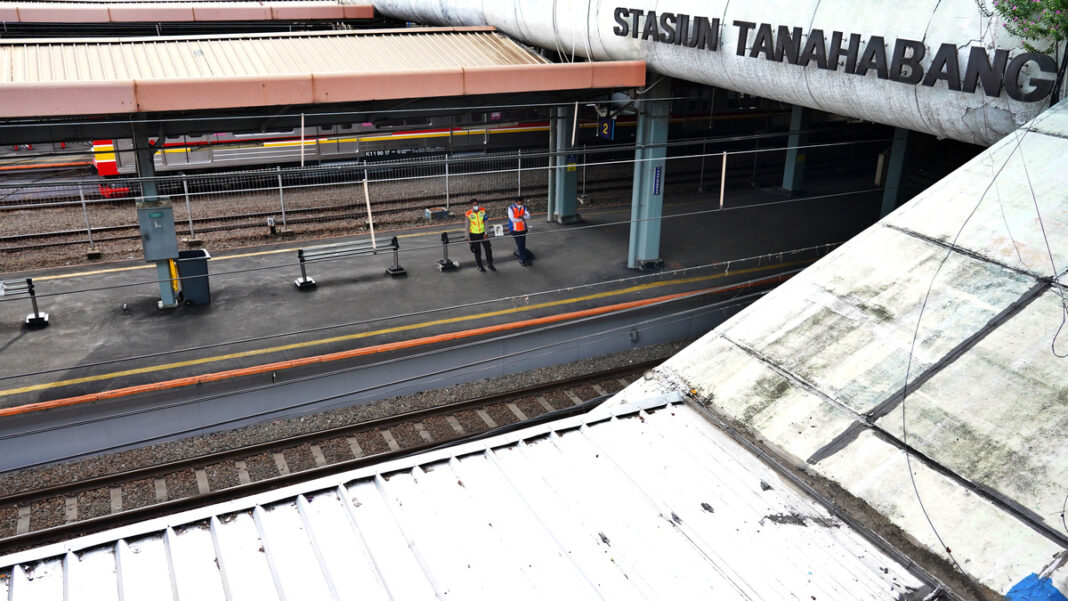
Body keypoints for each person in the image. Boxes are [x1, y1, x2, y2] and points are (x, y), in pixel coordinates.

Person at [464, 198, 494, 272]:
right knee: (477, 251)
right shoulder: (468, 214)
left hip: (483, 234)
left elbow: (486, 223)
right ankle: (480, 266)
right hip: (474, 235)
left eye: (477, 205)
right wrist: (467, 237)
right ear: (471, 206)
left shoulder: (483, 212)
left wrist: (486, 233)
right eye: (474, 205)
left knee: (488, 250)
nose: (476, 206)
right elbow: (467, 226)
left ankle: (490, 264)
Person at [508, 197, 532, 266]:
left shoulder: (524, 207)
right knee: (520, 244)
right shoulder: (511, 208)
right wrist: (522, 218)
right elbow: (512, 219)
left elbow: (529, 217)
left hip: (522, 229)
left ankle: (523, 258)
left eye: (522, 202)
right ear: (516, 202)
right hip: (514, 230)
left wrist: (520, 217)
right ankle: (522, 259)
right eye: (520, 202)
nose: (521, 203)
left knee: (522, 244)